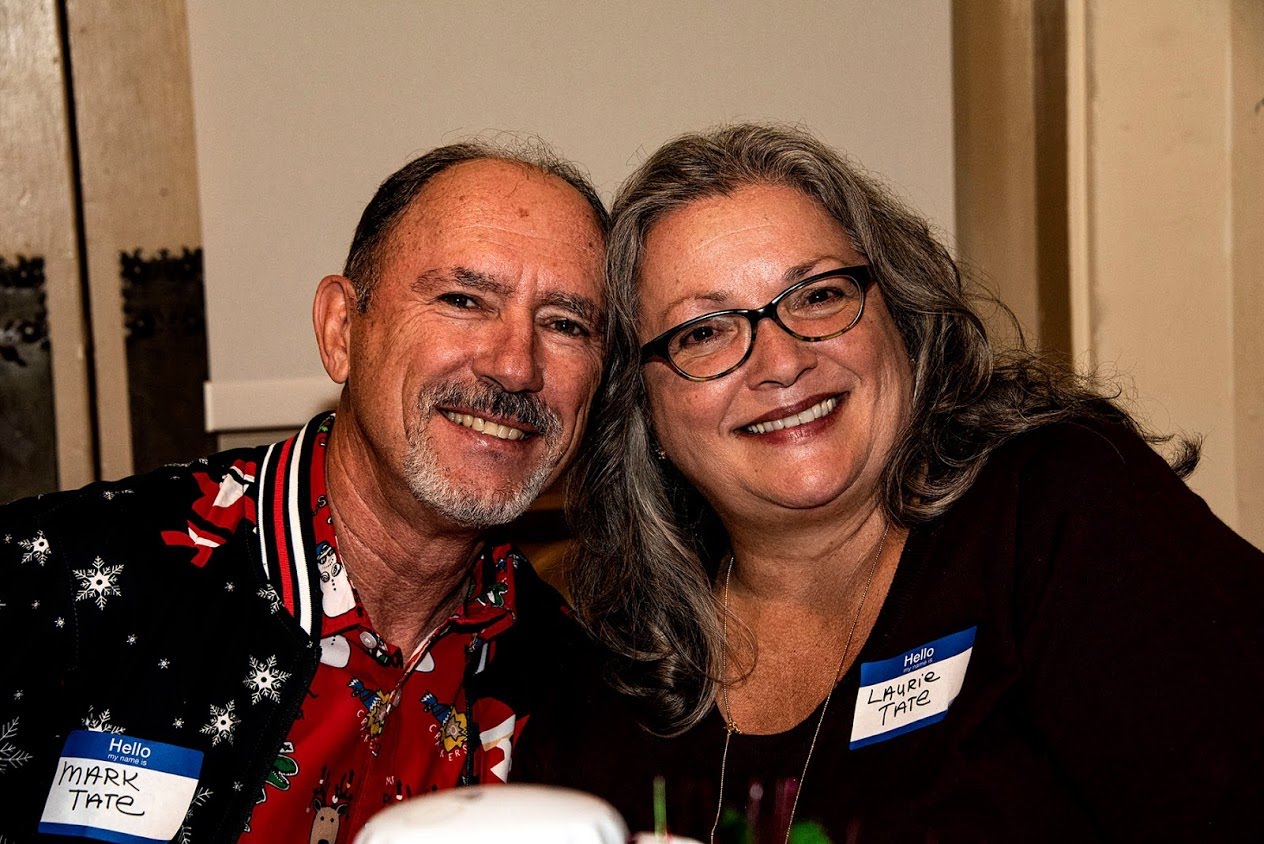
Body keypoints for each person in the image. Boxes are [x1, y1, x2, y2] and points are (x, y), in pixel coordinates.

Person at [531, 125, 1264, 842]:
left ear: (901, 320)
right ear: (643, 409)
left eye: (818, 295)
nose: (781, 362)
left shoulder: (1060, 512)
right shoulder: (612, 668)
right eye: (705, 332)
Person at [0, 140, 608, 842]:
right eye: (464, 300)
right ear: (341, 330)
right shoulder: (62, 583)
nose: (516, 365)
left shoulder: (572, 679)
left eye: (566, 324)